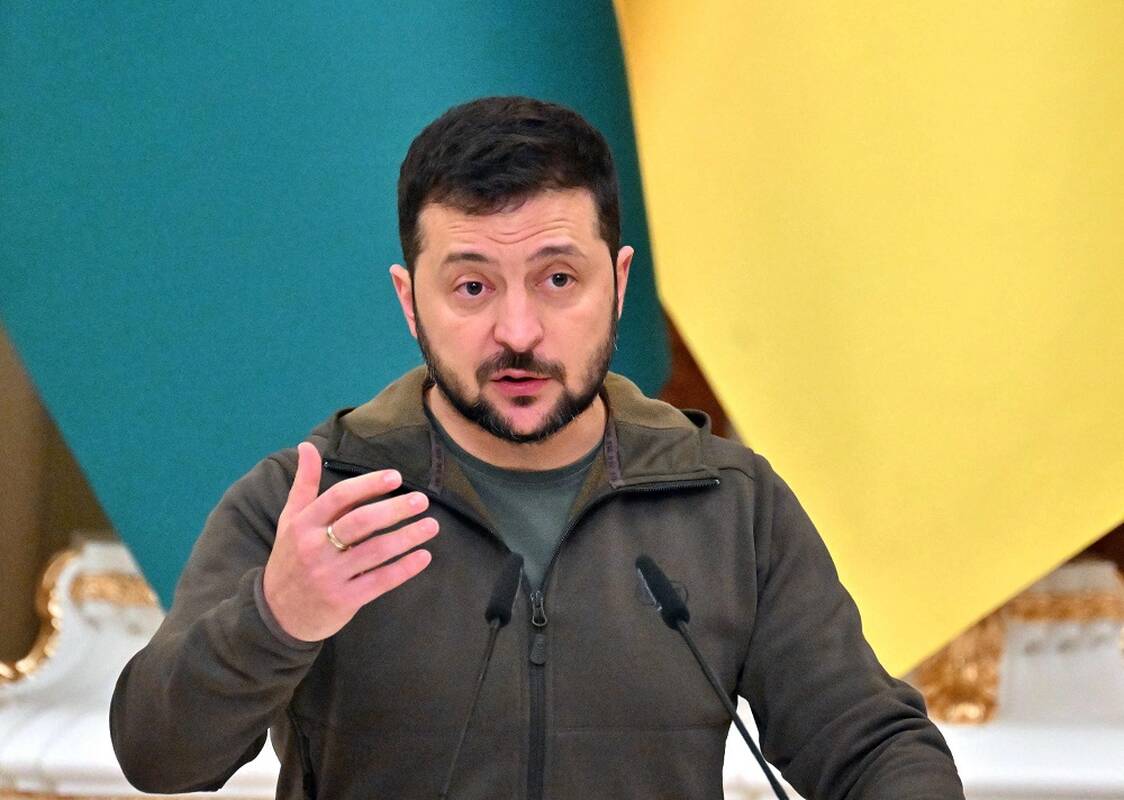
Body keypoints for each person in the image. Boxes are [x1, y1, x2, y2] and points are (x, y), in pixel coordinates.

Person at [110, 96, 964, 800]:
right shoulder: (316, 501)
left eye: (559, 279)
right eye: (472, 286)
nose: (518, 331)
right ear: (410, 301)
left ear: (618, 283)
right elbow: (158, 755)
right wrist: (276, 618)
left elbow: (868, 745)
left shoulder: (728, 504)